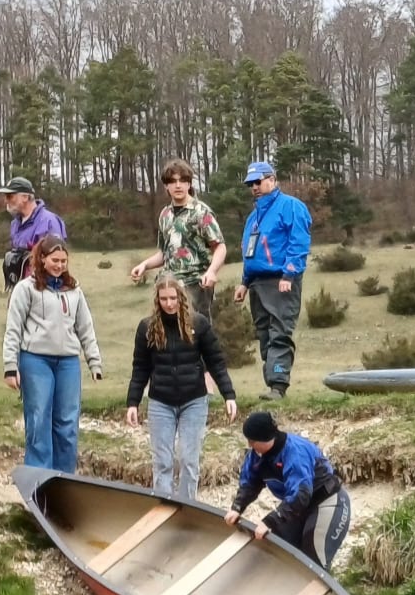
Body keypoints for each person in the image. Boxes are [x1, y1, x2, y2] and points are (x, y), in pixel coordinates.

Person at [126, 275, 239, 499]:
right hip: (160, 401)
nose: (169, 303)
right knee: (162, 462)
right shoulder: (146, 328)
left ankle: (188, 508)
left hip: (194, 400)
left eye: (173, 298)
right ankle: (163, 507)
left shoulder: (198, 324)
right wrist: (133, 403)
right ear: (157, 300)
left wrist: (229, 395)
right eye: (164, 298)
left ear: (181, 297)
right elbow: (140, 368)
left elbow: (216, 362)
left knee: (189, 460)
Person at [2, 236, 103, 472]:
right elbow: (13, 329)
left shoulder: (74, 290)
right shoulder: (26, 289)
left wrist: (94, 362)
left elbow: (85, 327)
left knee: (67, 422)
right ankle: (39, 475)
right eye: (54, 260)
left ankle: (63, 477)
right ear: (42, 259)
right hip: (35, 360)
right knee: (38, 418)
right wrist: (10, 366)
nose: (59, 265)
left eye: (63, 261)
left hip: (67, 361)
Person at [223, 412, 351, 570]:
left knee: (313, 561)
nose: (249, 445)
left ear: (265, 438)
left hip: (327, 502)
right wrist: (237, 507)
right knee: (279, 551)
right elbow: (250, 483)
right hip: (299, 508)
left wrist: (270, 521)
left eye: (252, 441)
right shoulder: (256, 455)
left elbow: (300, 495)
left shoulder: (295, 451)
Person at [232, 160, 312, 400]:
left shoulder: (291, 206)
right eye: (251, 184)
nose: (255, 187)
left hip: (281, 280)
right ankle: (271, 385)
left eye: (259, 181)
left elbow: (298, 243)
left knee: (279, 332)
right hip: (257, 282)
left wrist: (289, 273)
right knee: (264, 334)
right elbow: (250, 251)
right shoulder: (253, 217)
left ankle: (278, 385)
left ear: (272, 180)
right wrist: (244, 283)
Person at [129, 158, 226, 323]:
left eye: (183, 180)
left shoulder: (201, 212)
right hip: (169, 285)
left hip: (196, 285)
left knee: (196, 332)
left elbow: (220, 247)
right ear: (166, 186)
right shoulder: (165, 215)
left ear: (189, 184)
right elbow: (164, 253)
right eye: (173, 181)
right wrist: (144, 265)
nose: (178, 185)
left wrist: (211, 272)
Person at [0, 176, 67, 292]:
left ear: (25, 197)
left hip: (44, 289)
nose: (6, 200)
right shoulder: (15, 223)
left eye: (10, 196)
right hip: (20, 289)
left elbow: (57, 259)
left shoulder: (49, 221)